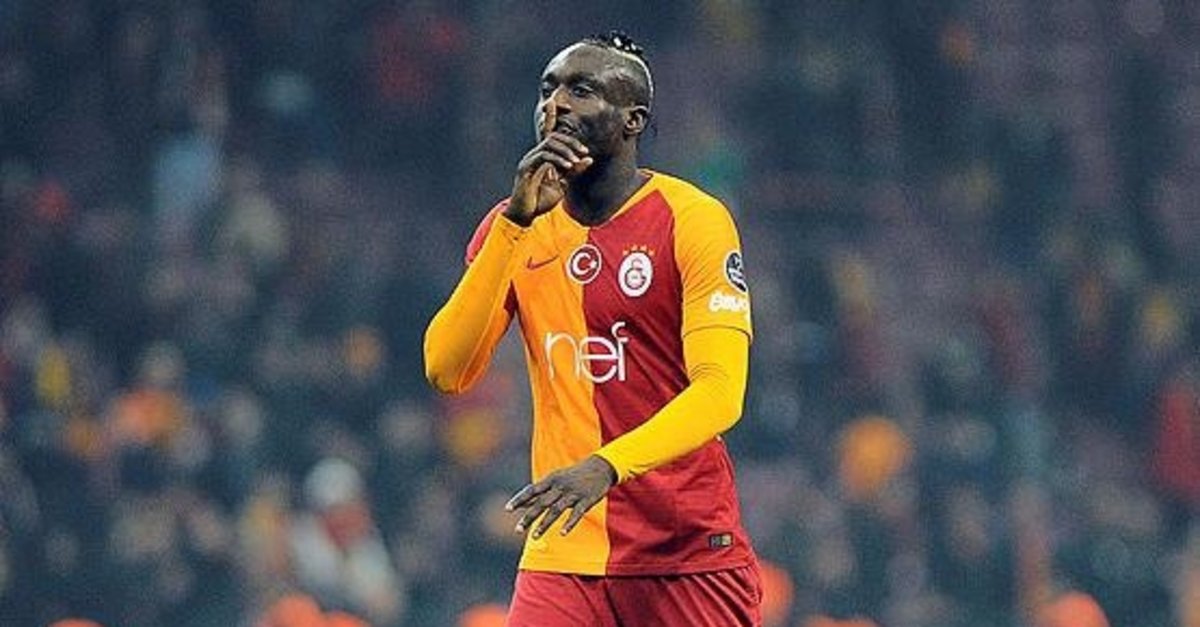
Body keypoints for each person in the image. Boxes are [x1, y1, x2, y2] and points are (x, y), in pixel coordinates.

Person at [424, 31, 761, 626]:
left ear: (633, 120)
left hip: (683, 551)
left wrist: (604, 466)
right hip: (564, 552)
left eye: (581, 90)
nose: (555, 104)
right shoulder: (514, 227)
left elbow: (719, 392)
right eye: (547, 89)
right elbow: (446, 368)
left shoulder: (693, 220)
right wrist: (514, 223)